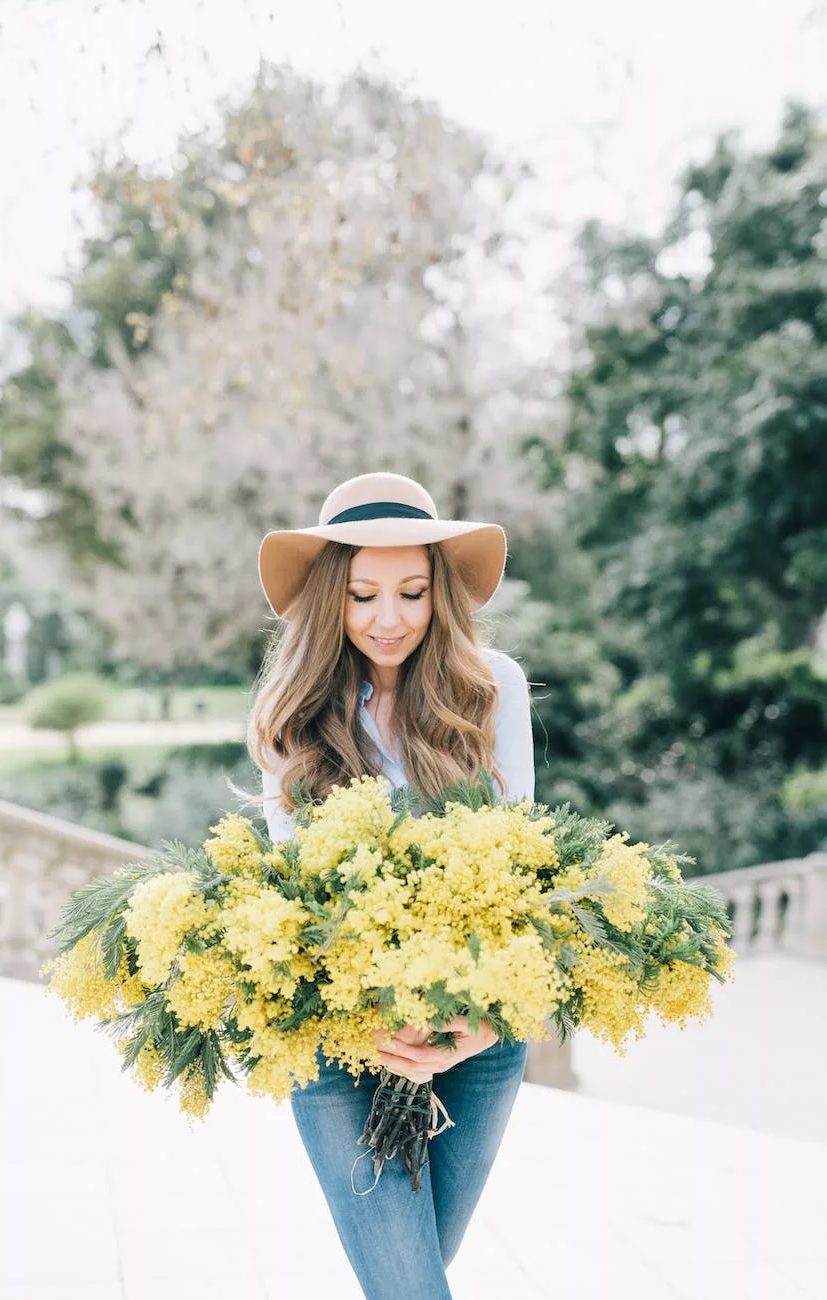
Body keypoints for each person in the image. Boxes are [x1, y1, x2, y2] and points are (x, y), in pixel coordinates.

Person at [248, 471, 535, 1300]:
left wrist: (473, 1023)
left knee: (407, 1282)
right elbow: (304, 898)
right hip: (342, 1039)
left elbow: (516, 867)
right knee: (409, 1287)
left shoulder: (493, 688)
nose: (389, 618)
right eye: (364, 594)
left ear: (439, 594)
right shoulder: (291, 713)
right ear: (331, 599)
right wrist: (376, 1014)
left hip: (477, 1032)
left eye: (412, 591)